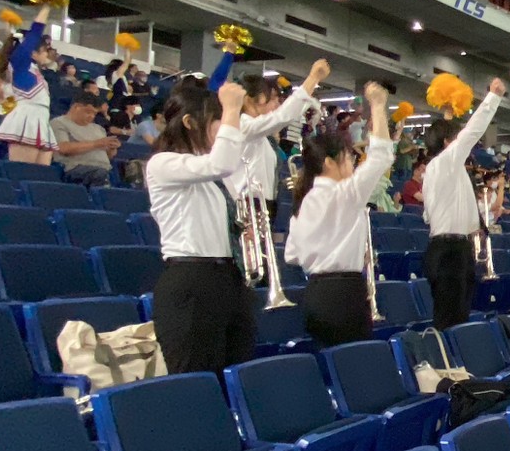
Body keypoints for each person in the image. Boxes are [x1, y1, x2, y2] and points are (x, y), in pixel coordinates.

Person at [146, 79, 253, 376]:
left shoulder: (211, 173)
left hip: (228, 277)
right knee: (197, 375)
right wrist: (232, 108)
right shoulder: (163, 163)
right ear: (190, 122)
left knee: (236, 371)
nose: (223, 126)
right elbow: (222, 163)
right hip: (192, 280)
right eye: (216, 120)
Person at [285, 83, 394, 347]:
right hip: (345, 295)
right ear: (329, 163)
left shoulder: (303, 201)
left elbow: (292, 255)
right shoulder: (345, 193)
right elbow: (381, 156)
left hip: (316, 294)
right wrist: (378, 105)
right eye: (347, 158)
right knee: (353, 364)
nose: (352, 164)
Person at [422, 79, 506, 330]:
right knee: (451, 322)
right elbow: (471, 132)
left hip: (453, 249)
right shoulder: (443, 164)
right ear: (447, 144)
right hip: (449, 251)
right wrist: (492, 97)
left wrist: (448, 114)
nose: (460, 142)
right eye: (454, 139)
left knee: (457, 318)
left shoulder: (446, 169)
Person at [210, 56, 327, 225]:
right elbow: (281, 116)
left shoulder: (260, 135)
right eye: (271, 98)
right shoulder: (242, 126)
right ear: (250, 100)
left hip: (262, 205)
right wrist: (312, 79)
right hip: (245, 206)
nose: (277, 104)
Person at [0, 6, 60, 165]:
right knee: (22, 171)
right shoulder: (20, 64)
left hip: (41, 120)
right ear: (32, 53)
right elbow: (35, 33)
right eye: (44, 50)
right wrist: (47, 6)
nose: (47, 54)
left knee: (40, 175)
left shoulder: (35, 70)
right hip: (26, 119)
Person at [50, 96, 120, 187]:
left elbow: (108, 156)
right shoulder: (59, 123)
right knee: (101, 175)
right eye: (88, 112)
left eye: (95, 113)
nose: (92, 116)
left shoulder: (98, 128)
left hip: (105, 171)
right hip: (75, 169)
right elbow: (64, 148)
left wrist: (111, 148)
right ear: (76, 107)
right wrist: (96, 143)